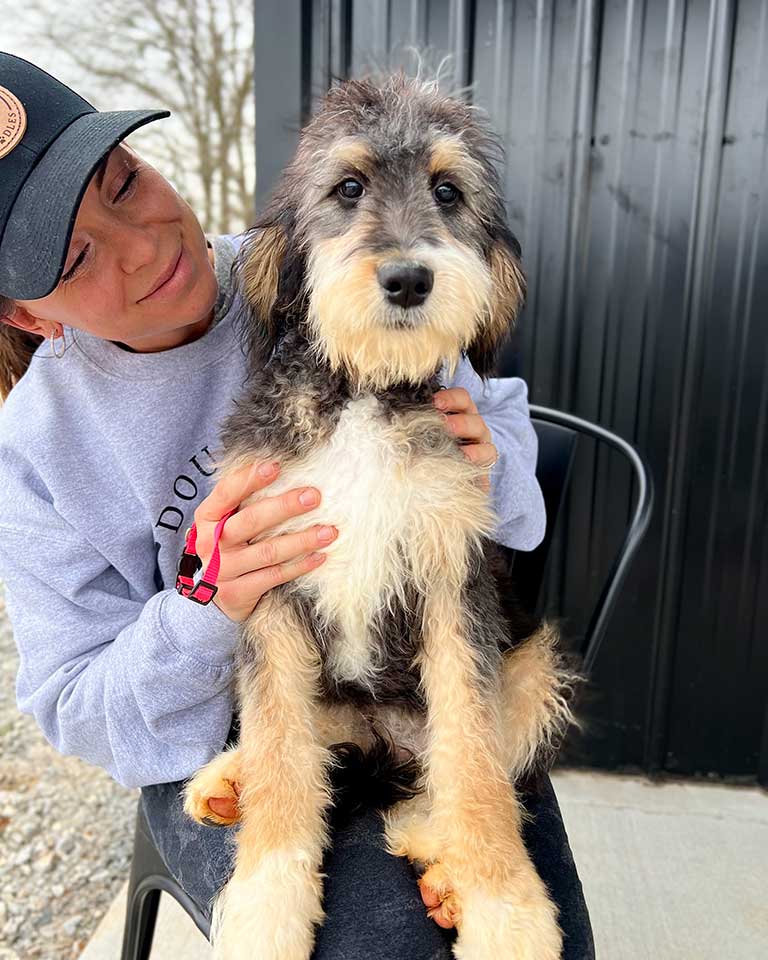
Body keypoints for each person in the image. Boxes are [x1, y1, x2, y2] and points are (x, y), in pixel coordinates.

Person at [0, 52, 594, 958]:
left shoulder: (327, 256)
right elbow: (74, 703)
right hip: (233, 715)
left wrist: (492, 458)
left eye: (125, 182)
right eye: (78, 256)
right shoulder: (35, 448)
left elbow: (495, 414)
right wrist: (209, 604)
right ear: (28, 316)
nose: (145, 245)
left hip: (434, 689)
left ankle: (439, 824)